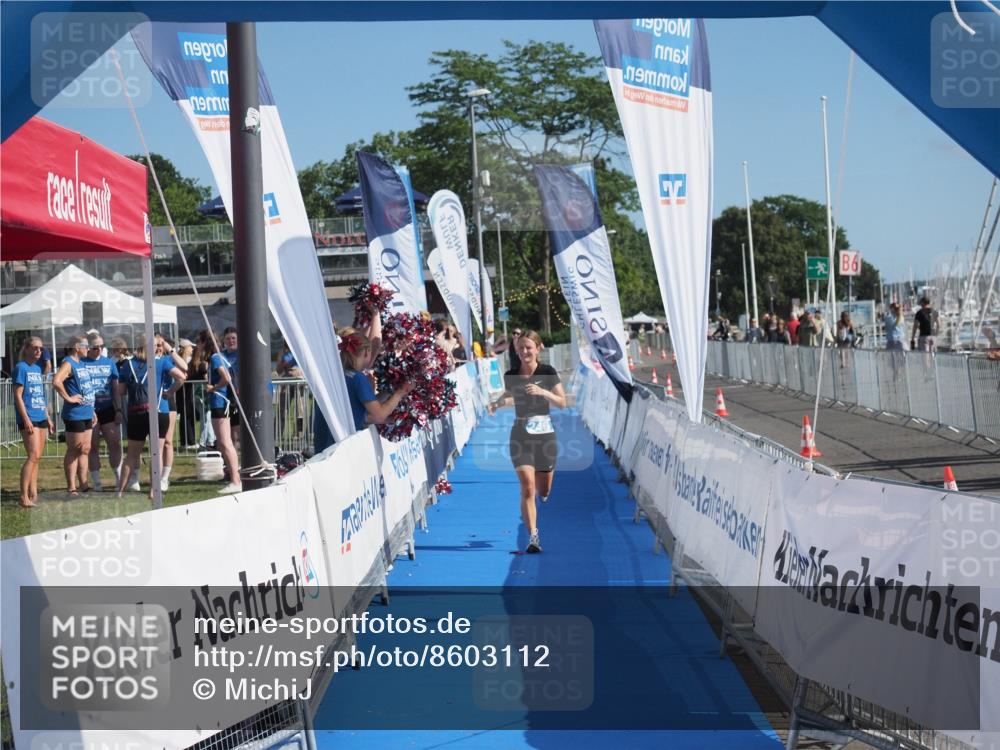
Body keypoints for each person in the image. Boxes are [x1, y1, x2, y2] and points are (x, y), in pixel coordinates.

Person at [490, 331, 567, 554]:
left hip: (545, 435)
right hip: (520, 434)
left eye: (529, 348)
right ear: (516, 350)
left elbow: (563, 403)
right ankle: (533, 536)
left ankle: (544, 493)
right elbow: (507, 395)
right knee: (527, 487)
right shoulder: (511, 374)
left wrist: (543, 392)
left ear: (538, 348)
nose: (525, 352)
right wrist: (496, 403)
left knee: (543, 489)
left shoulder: (548, 372)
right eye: (521, 348)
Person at [116, 341, 186, 497]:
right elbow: (182, 377)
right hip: (158, 411)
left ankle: (119, 491)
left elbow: (120, 390)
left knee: (132, 454)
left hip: (136, 412)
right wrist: (170, 392)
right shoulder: (161, 362)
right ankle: (154, 490)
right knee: (157, 452)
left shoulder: (128, 364)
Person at [338, 328, 414, 431]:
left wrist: (388, 391)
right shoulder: (358, 378)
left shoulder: (343, 374)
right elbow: (379, 415)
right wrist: (400, 393)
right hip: (342, 440)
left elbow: (363, 413)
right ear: (366, 352)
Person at [52, 335, 97, 496]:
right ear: (77, 347)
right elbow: (56, 381)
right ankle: (71, 486)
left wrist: (92, 410)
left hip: (86, 412)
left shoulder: (81, 363)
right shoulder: (68, 363)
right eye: (86, 345)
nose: (88, 348)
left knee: (85, 449)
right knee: (74, 450)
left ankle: (84, 484)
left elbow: (86, 389)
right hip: (74, 414)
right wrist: (68, 398)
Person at [13, 336, 54, 507]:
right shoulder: (20, 368)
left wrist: (48, 417)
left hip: (41, 416)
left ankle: (33, 493)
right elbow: (18, 396)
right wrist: (25, 418)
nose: (39, 351)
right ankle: (23, 496)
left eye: (41, 348)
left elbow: (41, 396)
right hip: (29, 417)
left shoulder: (38, 369)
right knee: (33, 455)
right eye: (35, 348)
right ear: (27, 349)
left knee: (37, 457)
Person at [83, 331, 122, 492]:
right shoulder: (82, 363)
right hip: (89, 409)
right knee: (93, 446)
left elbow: (115, 388)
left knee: (114, 443)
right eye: (95, 347)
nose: (98, 349)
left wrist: (118, 409)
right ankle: (97, 483)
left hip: (108, 408)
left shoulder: (109, 363)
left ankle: (120, 479)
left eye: (101, 346)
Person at [206, 328, 242, 494]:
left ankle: (236, 479)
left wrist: (214, 387)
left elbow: (226, 378)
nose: (231, 341)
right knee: (225, 442)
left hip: (221, 402)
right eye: (228, 339)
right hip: (227, 402)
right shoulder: (221, 356)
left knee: (225, 442)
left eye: (233, 338)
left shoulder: (215, 357)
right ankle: (235, 475)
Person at [156, 334, 188, 492]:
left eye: (161, 344)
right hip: (150, 404)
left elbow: (184, 370)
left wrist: (170, 392)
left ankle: (164, 477)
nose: (158, 347)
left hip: (167, 403)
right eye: (156, 344)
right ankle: (152, 475)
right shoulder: (148, 359)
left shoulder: (167, 359)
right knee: (156, 443)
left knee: (167, 441)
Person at [175, 338, 198, 448]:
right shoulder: (181, 360)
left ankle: (190, 440)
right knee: (185, 415)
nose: (192, 349)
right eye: (190, 347)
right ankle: (187, 441)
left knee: (189, 414)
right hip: (182, 390)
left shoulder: (189, 360)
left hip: (188, 390)